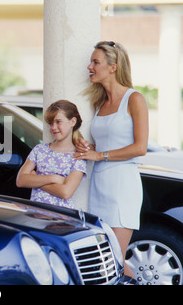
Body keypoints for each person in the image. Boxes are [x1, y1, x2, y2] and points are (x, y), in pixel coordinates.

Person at [75, 41, 149, 281]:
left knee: (114, 260)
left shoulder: (134, 99)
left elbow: (140, 147)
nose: (89, 66)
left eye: (95, 62)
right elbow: (109, 145)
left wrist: (99, 155)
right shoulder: (100, 103)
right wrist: (90, 149)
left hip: (122, 186)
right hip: (99, 186)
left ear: (113, 67)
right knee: (102, 261)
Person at [17, 100, 87, 209]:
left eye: (58, 121)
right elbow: (21, 181)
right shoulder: (39, 150)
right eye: (50, 123)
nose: (53, 127)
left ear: (72, 121)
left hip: (60, 218)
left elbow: (65, 192)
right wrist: (53, 178)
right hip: (35, 214)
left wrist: (36, 179)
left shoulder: (78, 156)